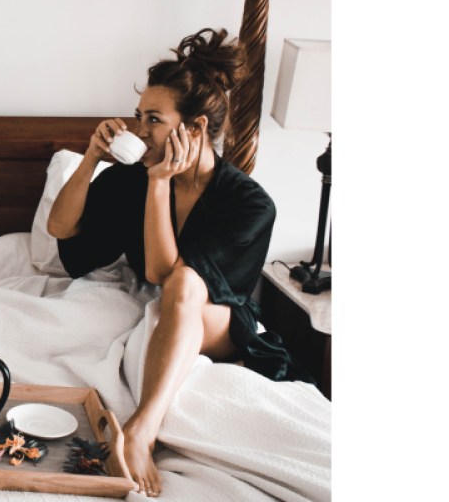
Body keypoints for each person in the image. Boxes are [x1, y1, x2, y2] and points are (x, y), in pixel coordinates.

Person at [47, 28, 309, 497]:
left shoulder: (249, 205)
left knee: (186, 283)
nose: (138, 130)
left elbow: (163, 276)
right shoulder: (132, 177)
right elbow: (60, 229)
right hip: (169, 306)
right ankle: (144, 428)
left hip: (221, 324)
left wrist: (159, 183)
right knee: (179, 286)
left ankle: (143, 426)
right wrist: (90, 158)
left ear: (195, 128)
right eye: (138, 116)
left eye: (152, 119)